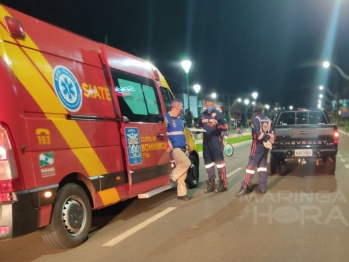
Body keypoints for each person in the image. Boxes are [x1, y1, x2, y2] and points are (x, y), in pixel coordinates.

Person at [235, 103, 273, 196]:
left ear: (254, 111)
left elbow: (258, 133)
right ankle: (262, 187)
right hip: (266, 146)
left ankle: (244, 187)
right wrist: (267, 139)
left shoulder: (255, 119)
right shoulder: (268, 120)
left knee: (250, 167)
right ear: (262, 110)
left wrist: (263, 138)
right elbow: (272, 132)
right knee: (262, 166)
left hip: (257, 145)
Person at [197, 97, 229, 193]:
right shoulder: (202, 115)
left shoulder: (218, 114)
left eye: (211, 106)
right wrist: (195, 130)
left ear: (213, 105)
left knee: (219, 163)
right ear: (205, 105)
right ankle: (211, 183)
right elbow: (199, 126)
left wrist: (216, 125)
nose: (209, 107)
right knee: (208, 164)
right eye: (207, 106)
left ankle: (223, 184)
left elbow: (225, 127)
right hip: (206, 142)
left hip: (216, 141)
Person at [165, 99, 191, 201]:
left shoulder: (180, 119)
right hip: (174, 148)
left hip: (182, 146)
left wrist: (187, 145)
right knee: (187, 163)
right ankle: (172, 176)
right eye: (181, 107)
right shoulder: (166, 117)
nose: (182, 109)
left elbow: (182, 133)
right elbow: (162, 131)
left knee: (183, 173)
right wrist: (168, 143)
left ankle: (181, 194)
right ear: (177, 107)